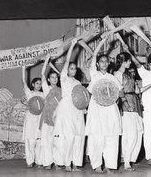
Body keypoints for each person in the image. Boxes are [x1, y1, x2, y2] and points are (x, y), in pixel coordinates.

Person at [85, 32, 123, 174]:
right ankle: (97, 165)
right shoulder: (94, 75)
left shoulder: (112, 77)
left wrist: (116, 97)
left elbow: (121, 92)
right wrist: (104, 41)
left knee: (111, 136)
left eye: (106, 61)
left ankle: (109, 165)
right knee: (97, 137)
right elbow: (94, 55)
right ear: (97, 64)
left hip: (110, 109)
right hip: (96, 110)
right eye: (102, 61)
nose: (105, 63)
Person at [53, 38, 86, 172]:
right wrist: (72, 45)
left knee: (78, 136)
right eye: (71, 68)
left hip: (77, 110)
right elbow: (67, 62)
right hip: (65, 108)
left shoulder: (78, 82)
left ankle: (76, 163)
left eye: (74, 69)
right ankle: (67, 163)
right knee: (68, 136)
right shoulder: (64, 79)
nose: (73, 70)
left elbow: (82, 97)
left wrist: (84, 108)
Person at [114, 52, 143, 171]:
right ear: (123, 61)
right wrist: (126, 103)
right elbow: (119, 92)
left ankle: (128, 158)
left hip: (134, 105)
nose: (130, 63)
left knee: (137, 133)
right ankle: (126, 162)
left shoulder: (127, 74)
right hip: (126, 107)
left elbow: (136, 91)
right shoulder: (117, 74)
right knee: (131, 135)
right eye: (129, 61)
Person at [39, 55, 60, 170]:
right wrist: (47, 60)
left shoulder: (61, 91)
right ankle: (48, 162)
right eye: (52, 77)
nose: (54, 79)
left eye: (56, 77)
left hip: (57, 118)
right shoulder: (47, 89)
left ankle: (57, 162)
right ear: (48, 80)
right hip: (47, 117)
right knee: (46, 140)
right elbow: (42, 74)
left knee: (57, 141)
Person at [21, 66, 44, 168]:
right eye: (37, 83)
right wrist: (23, 69)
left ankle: (39, 161)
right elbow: (23, 82)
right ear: (33, 84)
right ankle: (30, 161)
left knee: (39, 140)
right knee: (30, 140)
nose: (39, 85)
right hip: (30, 119)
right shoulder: (29, 93)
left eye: (40, 83)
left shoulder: (44, 94)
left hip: (40, 119)